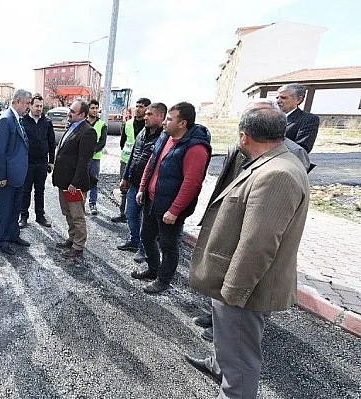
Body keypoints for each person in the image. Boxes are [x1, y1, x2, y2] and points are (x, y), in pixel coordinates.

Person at [184, 106, 309, 399]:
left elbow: (258, 244)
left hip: (246, 288)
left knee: (241, 357)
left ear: (244, 136)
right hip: (238, 279)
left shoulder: (276, 174)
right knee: (230, 344)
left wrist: (233, 293)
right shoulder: (271, 162)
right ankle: (219, 366)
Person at [133, 102, 211, 294]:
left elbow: (192, 183)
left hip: (169, 207)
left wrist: (175, 210)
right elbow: (152, 164)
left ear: (183, 123)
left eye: (170, 119)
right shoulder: (164, 137)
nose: (165, 122)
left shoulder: (195, 148)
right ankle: (153, 269)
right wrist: (142, 188)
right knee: (146, 236)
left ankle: (163, 280)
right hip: (152, 200)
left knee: (168, 245)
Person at [117, 102, 166, 264]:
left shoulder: (164, 138)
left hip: (150, 188)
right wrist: (125, 177)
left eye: (150, 114)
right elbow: (133, 156)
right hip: (134, 183)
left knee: (147, 221)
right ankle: (134, 240)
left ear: (161, 116)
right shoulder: (142, 133)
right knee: (131, 214)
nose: (146, 116)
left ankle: (143, 248)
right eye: (146, 114)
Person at [52, 100, 97, 258]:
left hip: (73, 185)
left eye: (72, 111)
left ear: (83, 115)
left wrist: (74, 184)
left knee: (77, 215)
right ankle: (72, 238)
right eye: (69, 110)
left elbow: (84, 162)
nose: (68, 113)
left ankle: (78, 246)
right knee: (67, 212)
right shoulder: (71, 126)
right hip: (63, 182)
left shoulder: (87, 132)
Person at [0, 89, 32, 255]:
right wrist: (1, 176)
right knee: (6, 209)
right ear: (17, 102)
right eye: (27, 103)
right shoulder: (6, 120)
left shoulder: (17, 119)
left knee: (15, 207)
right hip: (7, 177)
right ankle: (2, 240)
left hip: (17, 175)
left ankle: (14, 234)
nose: (29, 107)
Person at [19, 93, 56, 228]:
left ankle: (40, 216)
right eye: (37, 106)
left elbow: (52, 143)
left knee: (40, 191)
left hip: (42, 163)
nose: (39, 108)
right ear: (30, 106)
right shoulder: (23, 121)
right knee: (25, 191)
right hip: (27, 163)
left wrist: (51, 161)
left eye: (41, 106)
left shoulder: (47, 122)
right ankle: (23, 216)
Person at [113, 98, 151, 223]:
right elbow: (122, 142)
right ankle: (123, 213)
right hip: (126, 160)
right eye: (137, 106)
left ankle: (137, 216)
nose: (138, 109)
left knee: (139, 189)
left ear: (147, 109)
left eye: (141, 106)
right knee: (124, 188)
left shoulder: (149, 126)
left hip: (142, 164)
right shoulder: (128, 124)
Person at [276, 83, 319, 153]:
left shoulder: (308, 119)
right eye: (277, 97)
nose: (278, 101)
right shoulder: (271, 117)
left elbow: (302, 149)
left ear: (298, 99)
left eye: (283, 98)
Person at [85, 100, 107, 215]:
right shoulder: (83, 123)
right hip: (83, 159)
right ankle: (81, 203)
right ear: (88, 109)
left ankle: (92, 203)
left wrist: (91, 151)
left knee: (93, 181)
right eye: (92, 108)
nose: (94, 110)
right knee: (82, 180)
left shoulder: (102, 124)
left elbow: (102, 142)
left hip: (95, 158)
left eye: (96, 108)